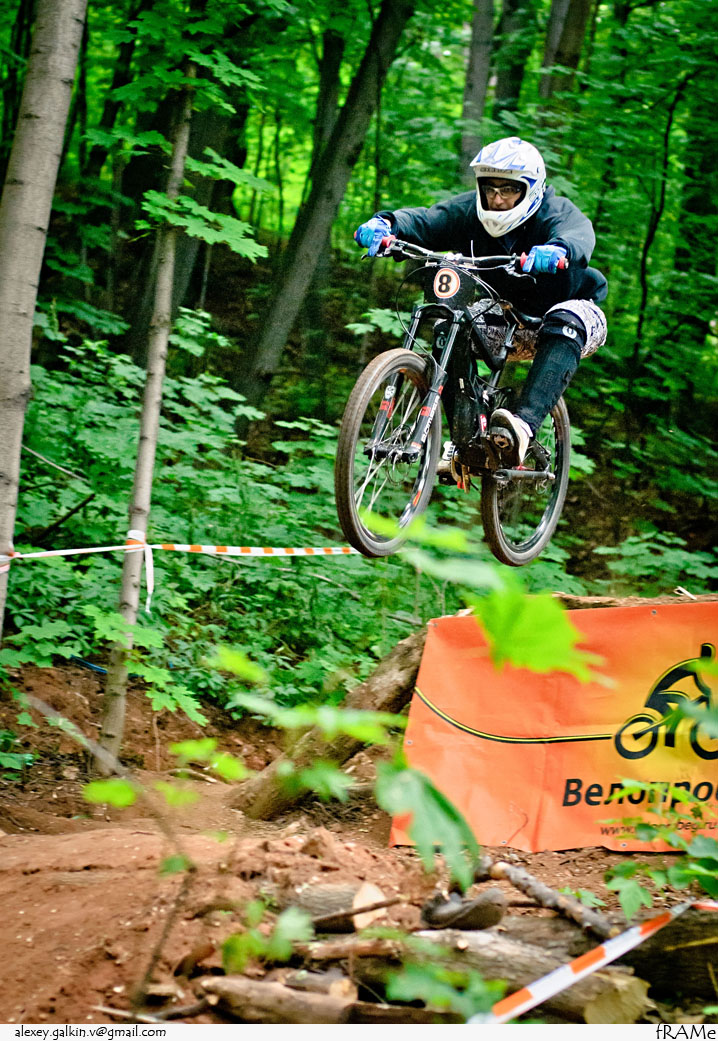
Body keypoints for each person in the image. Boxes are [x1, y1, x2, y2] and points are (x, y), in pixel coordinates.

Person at [353, 136, 607, 467]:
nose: (497, 199)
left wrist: (558, 250)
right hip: (507, 317)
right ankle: (467, 440)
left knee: (565, 318)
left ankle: (522, 427)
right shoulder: (469, 211)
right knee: (449, 326)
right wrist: (386, 224)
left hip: (574, 316)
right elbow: (426, 220)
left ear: (530, 189)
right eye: (490, 188)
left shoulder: (554, 211)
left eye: (509, 189)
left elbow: (578, 233)